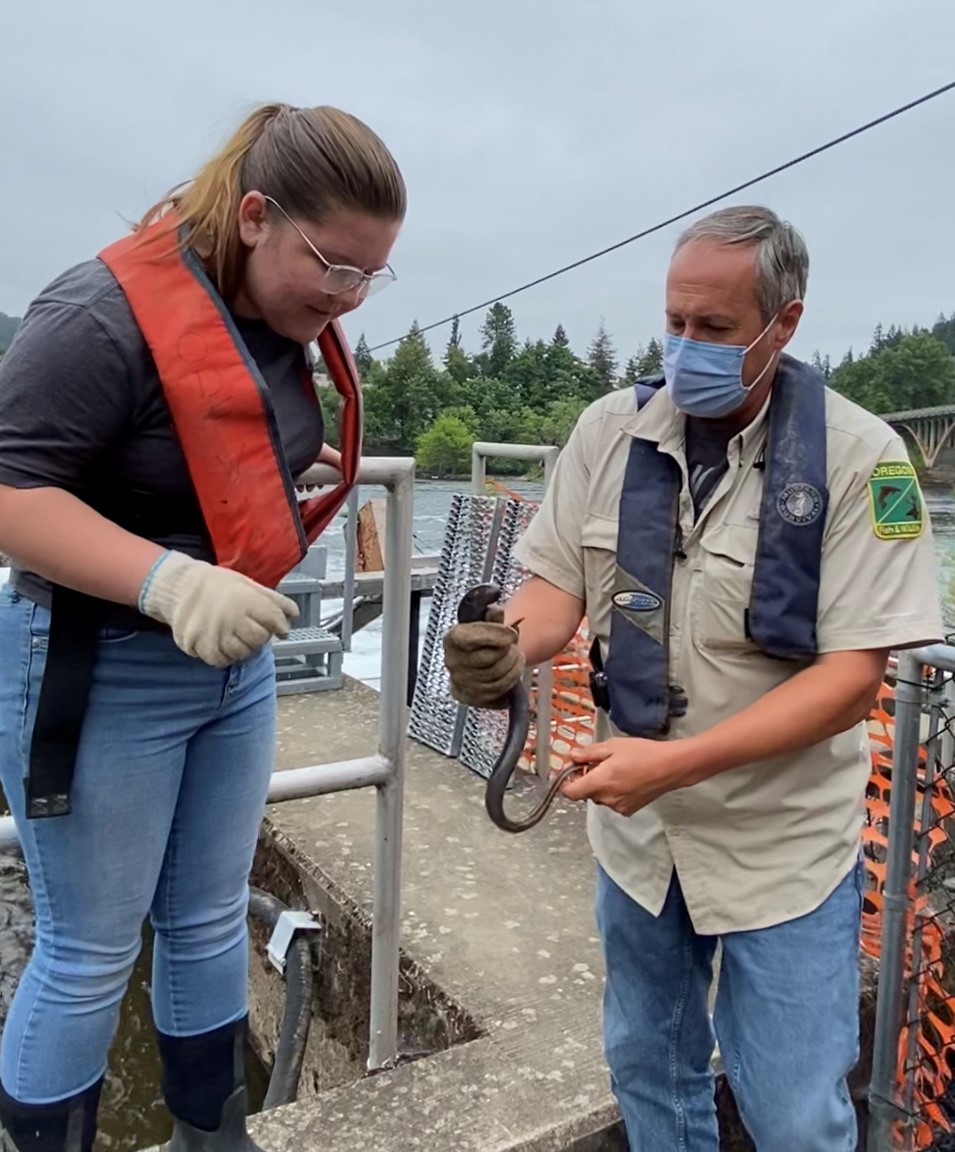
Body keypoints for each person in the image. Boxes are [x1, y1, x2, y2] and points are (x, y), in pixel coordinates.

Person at [443, 205, 944, 1151]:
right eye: (674, 323)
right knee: (648, 1070)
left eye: (713, 329)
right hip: (639, 845)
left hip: (780, 850)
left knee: (796, 1117)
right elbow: (552, 589)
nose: (686, 347)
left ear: (782, 323)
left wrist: (672, 766)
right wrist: (506, 644)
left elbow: (849, 679)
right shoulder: (606, 430)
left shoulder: (867, 461)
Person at [0, 102, 405, 1151]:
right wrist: (173, 583)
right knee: (90, 949)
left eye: (371, 275)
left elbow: (209, 421)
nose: (348, 295)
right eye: (335, 266)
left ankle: (211, 1137)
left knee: (210, 917)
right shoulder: (96, 315)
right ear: (259, 215)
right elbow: (10, 492)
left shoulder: (276, 315)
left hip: (234, 668)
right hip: (102, 664)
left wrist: (263, 470)